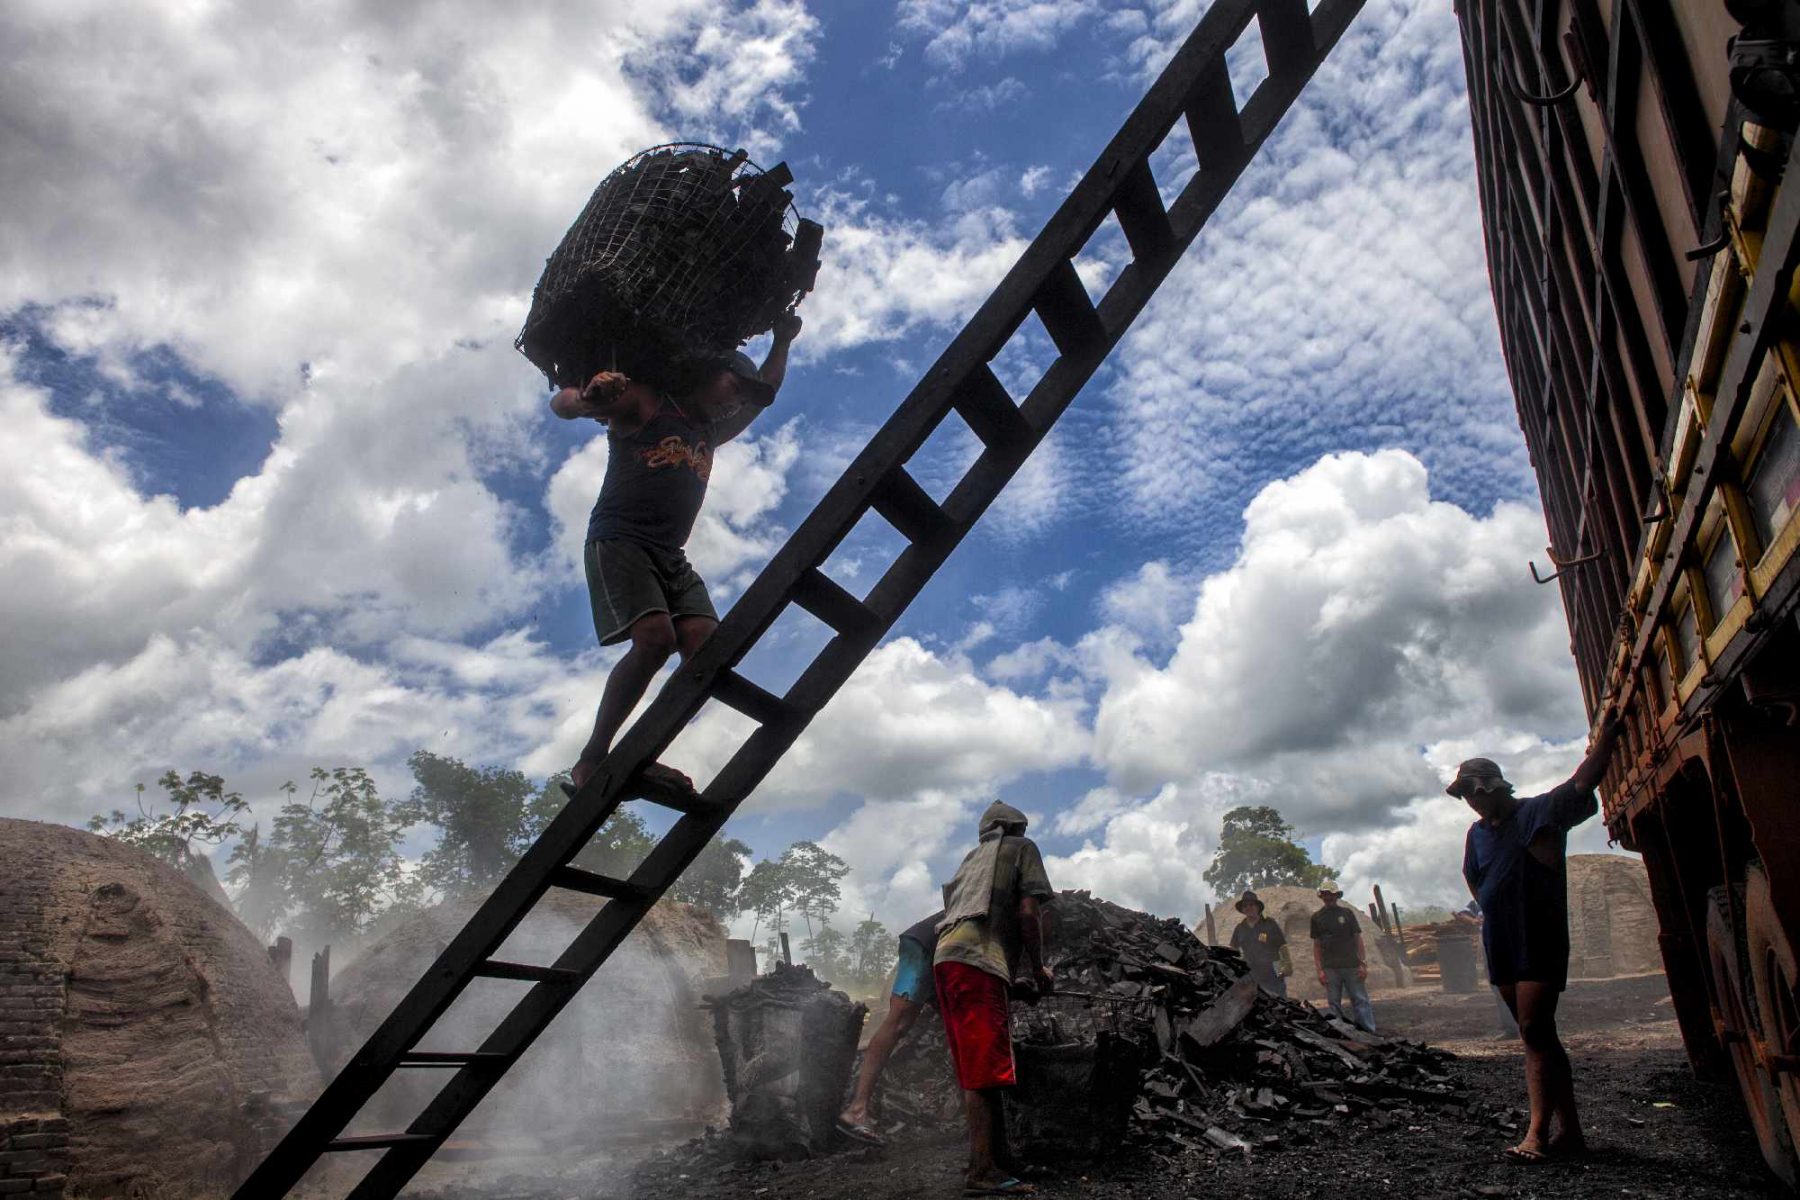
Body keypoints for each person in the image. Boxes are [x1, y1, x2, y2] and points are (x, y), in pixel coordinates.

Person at [551, 314, 802, 791]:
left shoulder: (712, 430)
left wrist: (784, 340)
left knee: (709, 651)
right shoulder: (648, 403)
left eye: (744, 392)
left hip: (670, 554)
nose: (739, 397)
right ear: (708, 373)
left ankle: (642, 755)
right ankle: (590, 761)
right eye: (735, 384)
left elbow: (766, 388)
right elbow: (562, 403)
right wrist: (586, 398)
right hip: (621, 539)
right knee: (655, 639)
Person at [1453, 714, 1622, 1165]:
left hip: (1538, 936)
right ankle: (1573, 1134)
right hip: (1502, 940)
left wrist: (1606, 739)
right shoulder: (1477, 835)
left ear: (1490, 786)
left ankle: (1537, 1134)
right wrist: (1494, 907)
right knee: (1540, 1037)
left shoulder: (1536, 813)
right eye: (1465, 796)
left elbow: (1582, 784)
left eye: (1471, 792)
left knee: (1532, 1030)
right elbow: (1474, 878)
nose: (1468, 802)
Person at [934, 802, 1054, 1197]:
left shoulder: (971, 860)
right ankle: (982, 1170)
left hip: (948, 960)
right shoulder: (1022, 848)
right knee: (984, 1071)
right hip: (977, 965)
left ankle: (996, 1161)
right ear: (1016, 828)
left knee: (975, 1065)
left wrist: (1008, 983)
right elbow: (1027, 911)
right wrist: (1038, 970)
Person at [836, 909, 945, 1145]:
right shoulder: (1025, 909)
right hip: (927, 946)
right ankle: (857, 1109)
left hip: (928, 945)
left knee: (905, 1023)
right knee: (898, 1023)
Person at [1310, 880, 1375, 1032]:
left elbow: (1357, 939)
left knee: (1360, 999)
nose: (1328, 897)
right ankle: (1340, 1033)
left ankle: (1368, 1031)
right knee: (1333, 1003)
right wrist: (1319, 970)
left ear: (1336, 895)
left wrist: (1362, 963)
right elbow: (1317, 945)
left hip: (1351, 964)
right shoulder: (1317, 917)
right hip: (1330, 967)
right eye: (1325, 894)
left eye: (1331, 894)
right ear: (1322, 896)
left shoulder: (1347, 914)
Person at [1228, 890, 1292, 998]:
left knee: (1280, 1005)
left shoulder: (1270, 923)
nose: (1248, 908)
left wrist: (1287, 964)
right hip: (1252, 975)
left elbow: (1282, 945)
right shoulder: (1239, 929)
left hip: (1273, 973)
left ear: (1257, 907)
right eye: (1245, 906)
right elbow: (1232, 949)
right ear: (1242, 910)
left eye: (1251, 904)